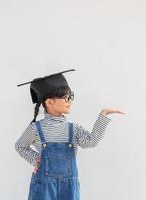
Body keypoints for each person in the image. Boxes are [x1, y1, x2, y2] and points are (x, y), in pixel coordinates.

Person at [15, 69, 125, 200]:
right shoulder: (36, 128)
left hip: (69, 188)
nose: (69, 101)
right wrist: (35, 159)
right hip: (44, 187)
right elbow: (20, 146)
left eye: (71, 96)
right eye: (66, 97)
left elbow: (92, 141)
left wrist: (103, 115)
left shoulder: (73, 129)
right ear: (50, 102)